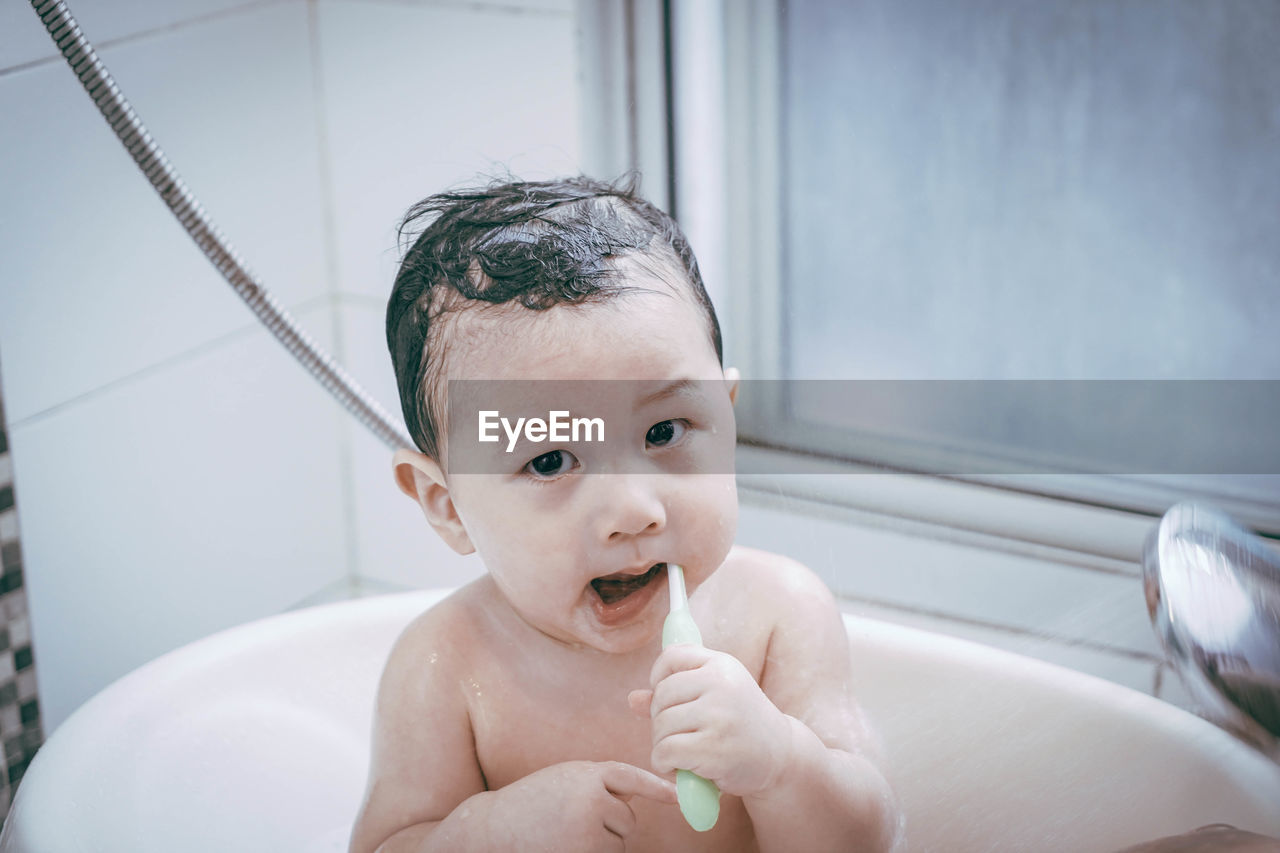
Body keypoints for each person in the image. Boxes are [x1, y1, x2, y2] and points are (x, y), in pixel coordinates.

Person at [348, 175, 901, 853]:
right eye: (550, 461)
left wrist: (782, 762)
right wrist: (492, 833)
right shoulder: (446, 666)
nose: (633, 511)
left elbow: (868, 839)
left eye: (665, 431)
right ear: (447, 504)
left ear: (723, 419)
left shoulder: (778, 616)